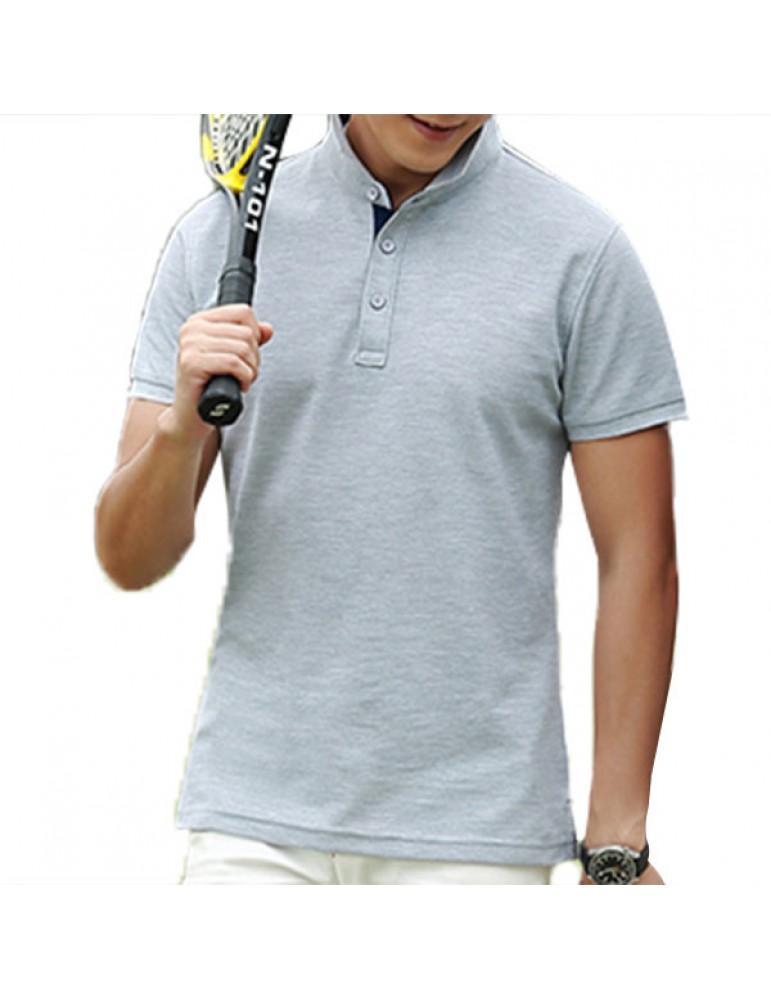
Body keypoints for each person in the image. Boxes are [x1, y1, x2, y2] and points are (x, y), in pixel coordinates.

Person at [95, 115, 686, 885]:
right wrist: (180, 428)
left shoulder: (583, 252)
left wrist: (616, 842)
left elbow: (638, 555)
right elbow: (130, 557)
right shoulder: (213, 239)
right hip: (251, 821)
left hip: (475, 835)